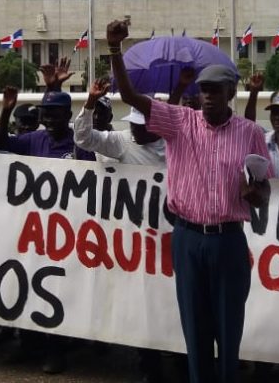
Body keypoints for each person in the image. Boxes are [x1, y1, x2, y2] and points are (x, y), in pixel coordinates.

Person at [106, 19, 271, 383]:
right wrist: (115, 49)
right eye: (204, 89)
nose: (208, 96)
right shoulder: (179, 121)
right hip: (188, 239)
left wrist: (255, 192)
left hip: (229, 240)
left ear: (231, 93)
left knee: (229, 327)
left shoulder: (251, 133)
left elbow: (264, 192)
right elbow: (132, 99)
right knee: (194, 326)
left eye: (215, 90)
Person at [74, 76, 167, 382]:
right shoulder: (121, 141)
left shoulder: (174, 145)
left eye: (142, 124)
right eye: (134, 123)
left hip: (170, 237)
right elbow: (84, 139)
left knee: (169, 302)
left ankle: (176, 359)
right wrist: (89, 102)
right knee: (142, 301)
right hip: (132, 237)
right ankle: (148, 364)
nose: (136, 129)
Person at [0, 86, 93, 375]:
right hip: (32, 230)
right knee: (28, 285)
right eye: (45, 113)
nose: (49, 119)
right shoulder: (33, 139)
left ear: (68, 115)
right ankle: (28, 344)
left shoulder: (81, 145)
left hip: (67, 232)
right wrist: (5, 109)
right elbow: (1, 142)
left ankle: (56, 350)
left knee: (56, 291)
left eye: (55, 114)